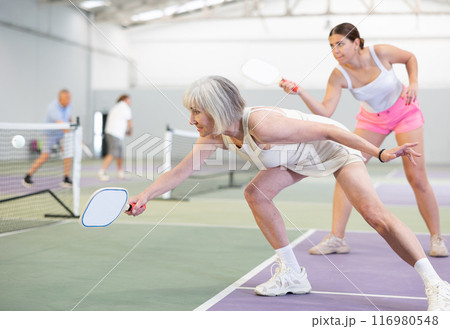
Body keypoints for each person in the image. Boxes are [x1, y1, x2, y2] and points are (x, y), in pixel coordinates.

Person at [126, 76, 449, 311]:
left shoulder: (264, 124)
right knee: (256, 193)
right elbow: (181, 172)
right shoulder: (215, 135)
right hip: (295, 159)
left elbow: (329, 128)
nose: (191, 119)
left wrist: (378, 153)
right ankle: (293, 274)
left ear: (217, 108)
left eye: (197, 111)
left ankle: (436, 285)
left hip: (332, 150)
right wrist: (145, 197)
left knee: (375, 216)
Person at [280, 22, 448, 257]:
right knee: (345, 168)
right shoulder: (339, 75)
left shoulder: (380, 53)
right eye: (332, 46)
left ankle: (437, 238)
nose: (336, 51)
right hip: (372, 121)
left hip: (405, 112)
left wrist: (414, 82)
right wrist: (300, 92)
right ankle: (337, 239)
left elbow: (410, 57)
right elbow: (326, 111)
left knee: (416, 178)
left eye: (340, 44)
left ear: (356, 42)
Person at [23, 89, 73, 188]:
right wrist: (75, 134)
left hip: (61, 133)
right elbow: (62, 126)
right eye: (66, 99)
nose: (69, 100)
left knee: (67, 153)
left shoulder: (69, 104)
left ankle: (66, 178)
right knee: (45, 155)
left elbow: (68, 117)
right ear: (60, 99)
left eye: (69, 98)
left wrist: (72, 126)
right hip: (49, 133)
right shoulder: (52, 108)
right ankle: (28, 176)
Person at [98, 94, 133, 181]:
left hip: (111, 132)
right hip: (115, 134)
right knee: (112, 153)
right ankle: (102, 171)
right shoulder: (125, 108)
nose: (130, 102)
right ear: (125, 100)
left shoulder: (115, 107)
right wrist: (130, 131)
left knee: (119, 153)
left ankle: (120, 172)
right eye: (129, 100)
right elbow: (129, 123)